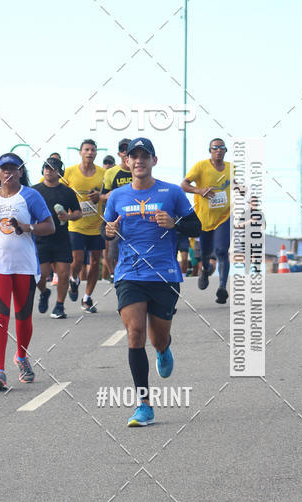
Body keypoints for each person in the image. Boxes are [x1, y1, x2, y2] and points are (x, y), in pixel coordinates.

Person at [104, 137, 201, 427]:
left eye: (145, 156)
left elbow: (196, 225)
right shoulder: (117, 196)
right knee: (135, 332)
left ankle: (163, 349)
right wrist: (108, 231)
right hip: (129, 273)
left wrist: (175, 224)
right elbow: (106, 230)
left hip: (164, 274)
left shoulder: (171, 192)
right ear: (127, 162)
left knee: (158, 337)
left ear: (153, 161)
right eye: (134, 156)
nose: (139, 161)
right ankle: (144, 404)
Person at [0, 153, 54, 389]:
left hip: (25, 265)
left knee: (23, 316)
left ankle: (21, 356)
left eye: (13, 168)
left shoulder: (30, 196)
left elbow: (50, 226)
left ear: (20, 172)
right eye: (3, 169)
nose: (8, 172)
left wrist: (26, 227)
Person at [181, 138, 232, 304]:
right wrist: (200, 190)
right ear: (210, 150)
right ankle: (204, 270)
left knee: (221, 250)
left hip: (223, 217)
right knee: (204, 253)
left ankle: (222, 288)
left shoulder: (232, 169)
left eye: (221, 147)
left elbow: (237, 185)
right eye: (215, 147)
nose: (218, 150)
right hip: (203, 219)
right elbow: (183, 185)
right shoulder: (201, 166)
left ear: (225, 150)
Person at [32, 157, 82, 319]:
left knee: (63, 273)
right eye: (46, 167)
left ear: (59, 172)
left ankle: (60, 305)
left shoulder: (67, 191)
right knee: (40, 276)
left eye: (52, 168)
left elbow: (78, 213)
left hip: (61, 238)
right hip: (40, 238)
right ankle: (44, 292)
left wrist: (67, 216)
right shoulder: (34, 191)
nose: (48, 170)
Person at [63, 139, 106, 313]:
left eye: (93, 150)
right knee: (78, 260)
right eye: (86, 149)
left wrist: (100, 196)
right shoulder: (69, 172)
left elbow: (109, 193)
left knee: (95, 262)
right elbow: (60, 190)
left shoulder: (104, 173)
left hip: (97, 225)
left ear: (96, 153)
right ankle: (74, 280)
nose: (90, 152)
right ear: (80, 152)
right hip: (76, 223)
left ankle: (87, 298)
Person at [101, 138, 132, 280]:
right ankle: (115, 273)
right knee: (112, 249)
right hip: (116, 216)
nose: (125, 152)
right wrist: (108, 196)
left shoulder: (138, 169)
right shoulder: (110, 173)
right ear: (119, 153)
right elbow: (103, 196)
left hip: (136, 215)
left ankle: (129, 273)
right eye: (122, 149)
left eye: (128, 148)